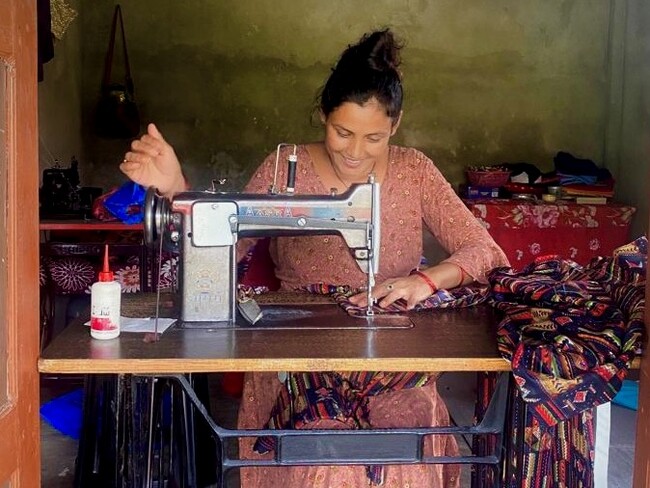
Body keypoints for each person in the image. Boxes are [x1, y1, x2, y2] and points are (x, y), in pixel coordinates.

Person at [121, 28, 508, 488]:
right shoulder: (283, 166)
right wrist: (177, 189)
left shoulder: (415, 170)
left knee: (405, 443)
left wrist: (423, 281)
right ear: (323, 114)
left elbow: (485, 250)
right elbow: (219, 246)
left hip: (392, 351)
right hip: (297, 351)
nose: (356, 152)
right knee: (322, 456)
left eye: (374, 138)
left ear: (396, 126)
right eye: (342, 133)